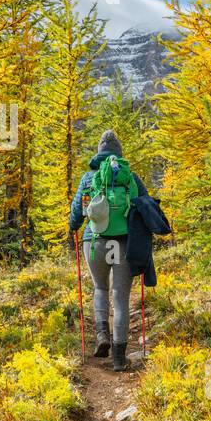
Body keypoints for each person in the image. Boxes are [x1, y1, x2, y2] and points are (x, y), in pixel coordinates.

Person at [68, 129, 148, 371]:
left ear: (99, 153)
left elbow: (78, 211)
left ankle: (102, 335)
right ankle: (119, 358)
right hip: (123, 243)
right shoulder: (130, 177)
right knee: (120, 298)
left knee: (100, 288)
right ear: (119, 154)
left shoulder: (88, 179)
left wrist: (74, 228)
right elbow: (146, 206)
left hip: (94, 242)